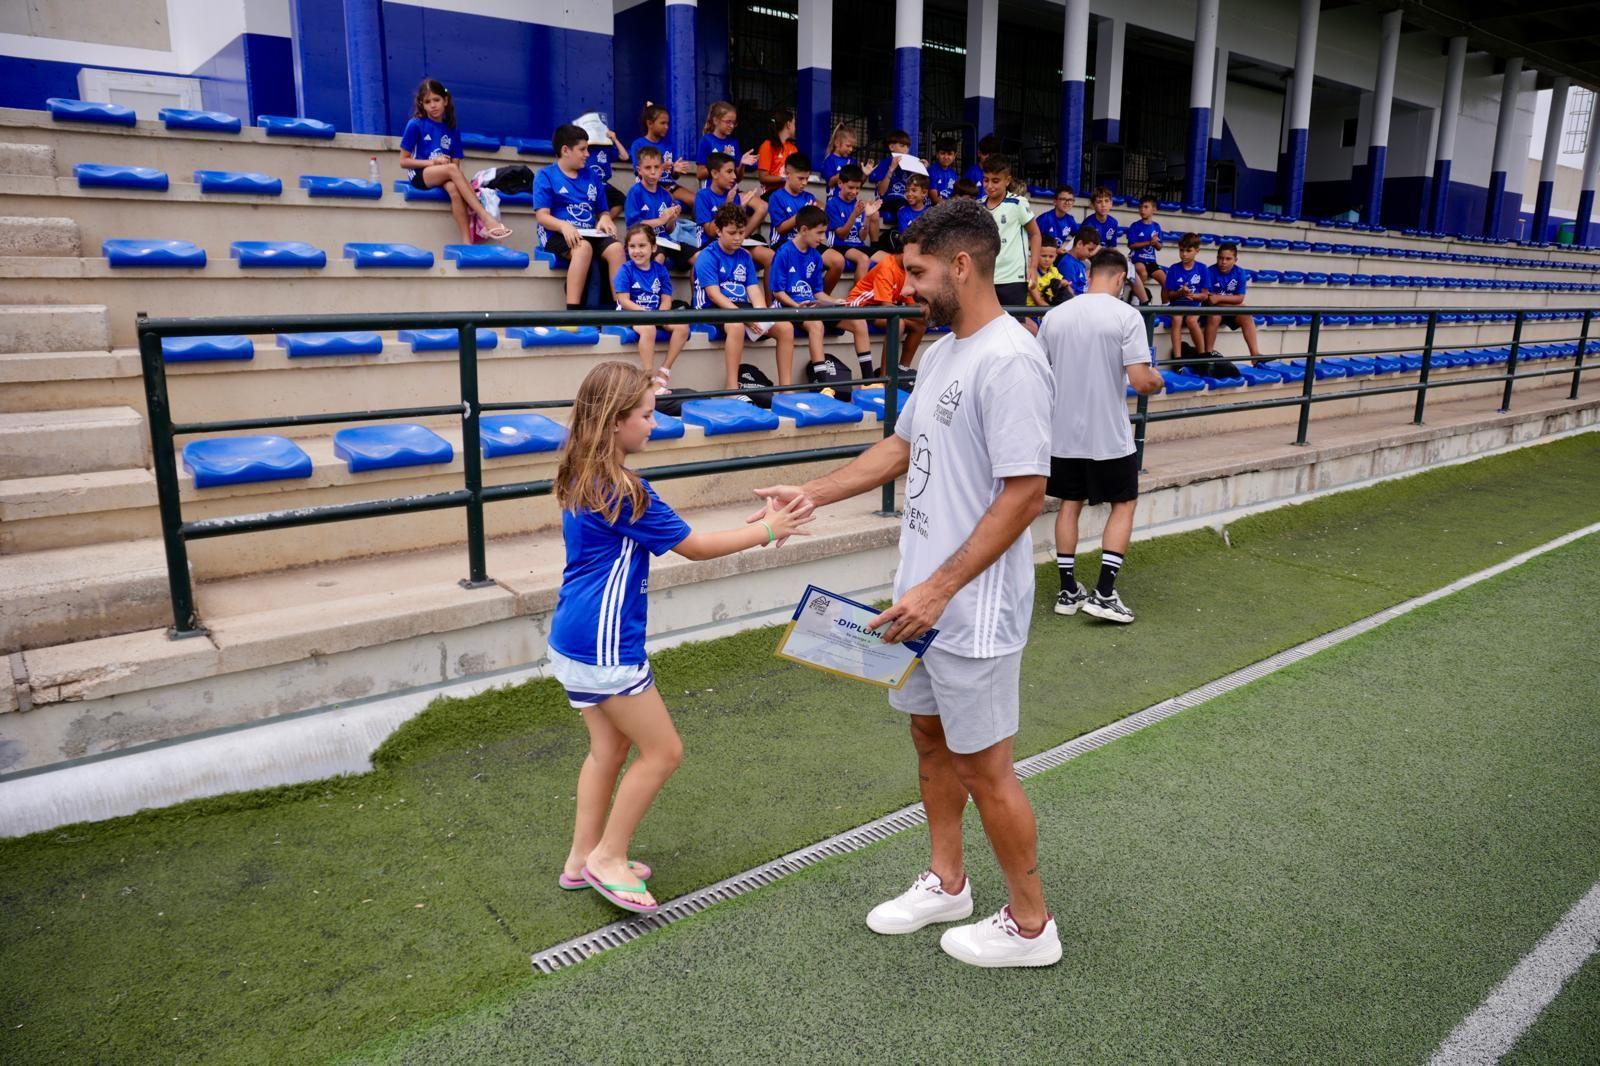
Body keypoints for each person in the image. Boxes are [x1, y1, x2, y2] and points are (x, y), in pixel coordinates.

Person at [752, 199, 1061, 968]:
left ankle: (1031, 927)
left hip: (970, 604)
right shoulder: (940, 352)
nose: (907, 286)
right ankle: (948, 882)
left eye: (918, 272)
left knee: (986, 766)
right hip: (918, 599)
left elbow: (1026, 493)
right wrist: (813, 494)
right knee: (927, 738)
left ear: (962, 265)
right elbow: (899, 448)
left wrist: (943, 587)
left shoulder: (1012, 359)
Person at [553, 361, 811, 915]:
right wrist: (769, 529)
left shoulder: (581, 471)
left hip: (572, 639)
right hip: (605, 647)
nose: (653, 424)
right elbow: (694, 545)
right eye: (646, 415)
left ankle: (582, 859)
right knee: (663, 751)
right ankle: (608, 858)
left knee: (609, 748)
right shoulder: (626, 489)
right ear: (615, 420)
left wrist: (755, 529)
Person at [1036, 249, 1164, 625]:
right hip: (1107, 432)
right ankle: (1105, 593)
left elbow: (1040, 373)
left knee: (1069, 503)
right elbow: (1141, 381)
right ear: (1123, 279)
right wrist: (1158, 380)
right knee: (1123, 504)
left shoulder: (1055, 316)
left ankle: (1067, 590)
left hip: (1063, 432)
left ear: (1089, 273)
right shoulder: (1127, 316)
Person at [694, 203, 797, 390]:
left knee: (786, 328)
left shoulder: (745, 256)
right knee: (736, 326)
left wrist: (759, 314)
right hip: (711, 309)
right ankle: (732, 387)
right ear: (718, 231)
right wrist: (744, 317)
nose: (738, 238)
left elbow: (754, 290)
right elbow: (714, 295)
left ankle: (786, 389)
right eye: (732, 233)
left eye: (741, 233)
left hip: (741, 307)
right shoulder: (707, 256)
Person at [398, 78, 510, 243]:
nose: (433, 105)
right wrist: (433, 162)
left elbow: (456, 166)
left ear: (445, 100)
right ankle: (486, 218)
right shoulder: (415, 125)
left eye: (436, 100)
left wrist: (451, 174)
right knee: (450, 170)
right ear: (422, 104)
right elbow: (403, 161)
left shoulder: (452, 130)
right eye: (427, 102)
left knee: (455, 190)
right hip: (420, 174)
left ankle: (466, 241)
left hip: (444, 173)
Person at [770, 206, 872, 379]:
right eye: (819, 233)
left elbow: (817, 293)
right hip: (789, 308)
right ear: (803, 230)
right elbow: (778, 293)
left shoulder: (816, 256)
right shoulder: (783, 253)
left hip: (811, 307)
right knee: (817, 324)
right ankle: (822, 383)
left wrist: (834, 302)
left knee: (859, 321)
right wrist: (797, 306)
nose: (823, 237)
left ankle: (870, 380)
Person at [534, 123, 624, 310]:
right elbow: (542, 216)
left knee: (616, 249)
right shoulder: (545, 175)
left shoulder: (591, 175)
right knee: (583, 248)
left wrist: (605, 218)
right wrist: (564, 226)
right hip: (557, 234)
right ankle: (573, 312)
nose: (587, 154)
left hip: (590, 232)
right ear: (565, 150)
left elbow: (603, 211)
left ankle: (620, 309)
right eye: (582, 149)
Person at [614, 225, 691, 391]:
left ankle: (664, 371)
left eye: (642, 246)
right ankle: (649, 378)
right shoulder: (625, 270)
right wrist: (645, 313)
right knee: (649, 329)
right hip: (630, 314)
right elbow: (623, 300)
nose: (637, 251)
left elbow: (666, 299)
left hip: (655, 314)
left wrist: (661, 314)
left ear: (653, 247)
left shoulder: (660, 270)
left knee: (682, 328)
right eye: (632, 246)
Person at [845, 250, 927, 379]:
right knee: (897, 323)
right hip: (862, 306)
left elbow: (911, 306)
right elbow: (886, 307)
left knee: (920, 325)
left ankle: (902, 369)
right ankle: (886, 377)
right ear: (906, 253)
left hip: (880, 308)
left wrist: (926, 312)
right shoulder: (887, 266)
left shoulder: (908, 271)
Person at [979, 154, 1041, 317]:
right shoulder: (978, 206)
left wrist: (1033, 267)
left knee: (1012, 329)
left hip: (1013, 278)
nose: (990, 185)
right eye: (986, 180)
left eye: (996, 180)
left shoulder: (1017, 203)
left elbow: (1035, 234)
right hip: (985, 279)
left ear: (1007, 180)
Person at [695, 152, 771, 268]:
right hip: (712, 246)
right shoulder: (703, 196)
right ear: (715, 173)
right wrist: (728, 204)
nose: (734, 177)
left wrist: (741, 207)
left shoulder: (733, 194)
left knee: (770, 256)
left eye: (734, 172)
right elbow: (711, 232)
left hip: (734, 243)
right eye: (729, 172)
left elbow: (736, 226)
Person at [1202, 242, 1262, 363]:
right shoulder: (1209, 271)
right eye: (1220, 258)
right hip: (1211, 310)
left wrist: (1220, 299)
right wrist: (1232, 303)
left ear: (1235, 260)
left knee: (1246, 314)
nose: (1223, 262)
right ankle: (1208, 355)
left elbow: (1240, 298)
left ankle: (1255, 356)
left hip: (1227, 309)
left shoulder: (1240, 272)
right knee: (1215, 316)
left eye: (1228, 259)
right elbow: (1211, 300)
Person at [623, 146, 684, 264]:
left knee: (696, 254)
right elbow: (633, 226)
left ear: (662, 169)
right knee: (659, 254)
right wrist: (661, 220)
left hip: (665, 241)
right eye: (647, 167)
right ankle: (653, 282)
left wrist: (672, 218)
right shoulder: (636, 192)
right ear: (639, 170)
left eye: (656, 167)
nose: (653, 171)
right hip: (645, 241)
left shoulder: (666, 195)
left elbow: (669, 229)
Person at [631, 102, 697, 208]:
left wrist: (675, 171)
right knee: (669, 204)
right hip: (649, 186)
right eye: (662, 123)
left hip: (669, 185)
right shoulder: (638, 144)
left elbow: (673, 176)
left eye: (668, 123)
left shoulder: (668, 145)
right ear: (650, 124)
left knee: (698, 202)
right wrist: (660, 167)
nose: (666, 127)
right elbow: (639, 173)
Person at [827, 163, 881, 285]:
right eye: (851, 187)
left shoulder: (858, 203)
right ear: (840, 184)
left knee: (889, 260)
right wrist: (854, 215)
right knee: (864, 259)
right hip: (839, 245)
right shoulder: (832, 204)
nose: (854, 192)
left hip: (858, 245)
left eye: (857, 188)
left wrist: (867, 217)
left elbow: (861, 237)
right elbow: (841, 235)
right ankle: (857, 297)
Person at [1161, 232, 1210, 360]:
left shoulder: (1202, 268)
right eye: (1181, 250)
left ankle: (1202, 354)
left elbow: (1205, 295)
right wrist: (1180, 293)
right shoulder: (1174, 268)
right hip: (1177, 304)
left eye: (1188, 250)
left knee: (1191, 320)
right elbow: (1169, 295)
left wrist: (1194, 296)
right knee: (1177, 319)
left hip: (1194, 305)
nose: (1184, 254)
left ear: (1197, 251)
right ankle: (1178, 358)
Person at [698, 100, 758, 179]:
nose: (732, 126)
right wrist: (721, 160)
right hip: (712, 189)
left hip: (731, 190)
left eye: (734, 123)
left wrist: (742, 163)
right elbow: (700, 174)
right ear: (716, 121)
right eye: (728, 122)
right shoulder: (706, 141)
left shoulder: (733, 142)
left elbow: (737, 178)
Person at [1123, 195, 1166, 304]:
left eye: (1146, 207)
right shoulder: (1135, 226)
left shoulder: (1156, 226)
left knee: (1165, 280)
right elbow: (1131, 245)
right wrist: (1148, 242)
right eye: (1141, 207)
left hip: (1151, 261)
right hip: (1137, 259)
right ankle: (1135, 300)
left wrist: (1155, 243)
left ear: (1154, 209)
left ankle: (1166, 305)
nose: (1142, 210)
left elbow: (1160, 247)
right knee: (1142, 273)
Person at [869, 129, 915, 230]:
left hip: (905, 200)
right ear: (891, 147)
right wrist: (891, 169)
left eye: (907, 147)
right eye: (902, 146)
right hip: (887, 201)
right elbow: (881, 191)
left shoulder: (910, 165)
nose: (906, 150)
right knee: (903, 208)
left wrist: (921, 169)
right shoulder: (885, 163)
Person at [584, 121, 631, 220]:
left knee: (621, 200)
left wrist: (614, 139)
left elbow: (625, 156)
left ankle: (603, 223)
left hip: (604, 185)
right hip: (587, 183)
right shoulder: (586, 149)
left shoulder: (607, 148)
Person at [756, 107, 800, 191]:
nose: (795, 127)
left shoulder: (793, 148)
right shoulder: (767, 146)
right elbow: (763, 177)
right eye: (794, 123)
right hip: (771, 193)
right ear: (788, 124)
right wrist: (785, 178)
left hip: (790, 192)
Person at [1057, 224, 1101, 299]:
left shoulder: (1080, 262)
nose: (1091, 253)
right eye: (1090, 249)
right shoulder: (1068, 264)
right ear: (1079, 244)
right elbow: (1069, 293)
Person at [820, 124, 859, 190]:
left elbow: (857, 183)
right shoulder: (830, 160)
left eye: (852, 147)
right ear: (837, 143)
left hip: (851, 199)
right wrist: (844, 173)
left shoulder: (852, 161)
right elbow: (830, 183)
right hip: (834, 199)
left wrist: (865, 174)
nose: (851, 149)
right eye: (848, 146)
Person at [1032, 238, 1068, 307]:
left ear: (1055, 257)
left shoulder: (1054, 270)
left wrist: (1064, 284)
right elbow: (1038, 301)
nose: (1047, 259)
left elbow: (1063, 285)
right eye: (1043, 256)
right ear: (1035, 254)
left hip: (1050, 309)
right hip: (1034, 312)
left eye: (1051, 256)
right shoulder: (1031, 273)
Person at [1080, 186, 1119, 250]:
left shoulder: (1113, 222)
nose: (1103, 205)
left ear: (1111, 204)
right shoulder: (1088, 223)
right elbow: (1086, 249)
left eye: (1106, 201)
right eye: (1099, 202)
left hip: (1105, 255)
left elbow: (1112, 246)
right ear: (1092, 205)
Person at [894, 174, 931, 240]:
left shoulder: (930, 212)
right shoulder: (902, 212)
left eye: (914, 190)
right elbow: (904, 235)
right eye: (907, 190)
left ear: (924, 193)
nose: (909, 194)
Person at [927, 139, 960, 203]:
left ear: (954, 156)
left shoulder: (953, 174)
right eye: (943, 153)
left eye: (949, 154)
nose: (946, 157)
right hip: (935, 209)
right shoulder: (932, 171)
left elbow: (956, 195)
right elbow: (934, 198)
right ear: (937, 154)